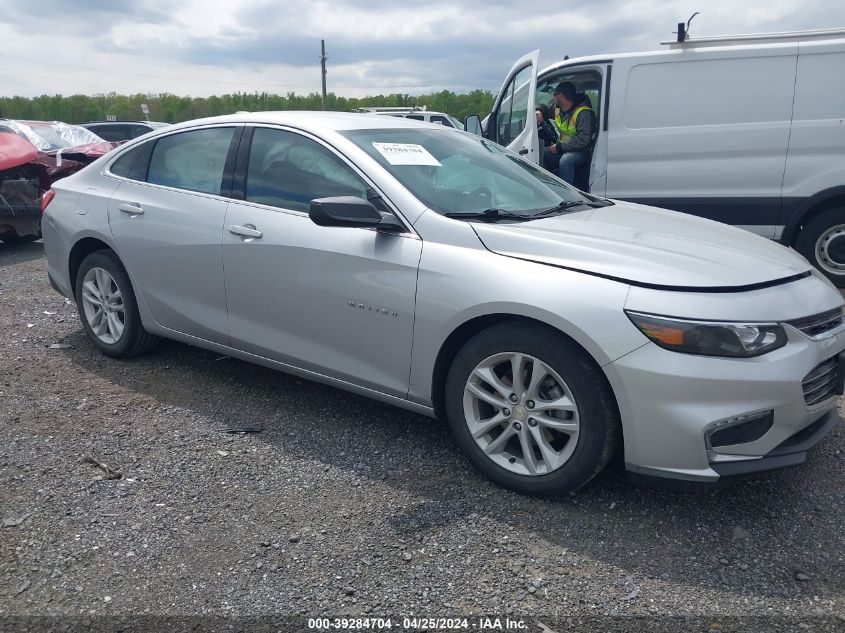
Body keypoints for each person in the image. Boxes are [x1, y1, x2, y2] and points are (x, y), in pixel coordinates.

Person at [546, 81, 594, 185]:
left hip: (582, 152)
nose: (553, 97)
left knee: (566, 160)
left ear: (562, 95)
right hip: (565, 149)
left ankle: (567, 194)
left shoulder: (583, 113)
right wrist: (539, 111)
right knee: (544, 154)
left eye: (555, 94)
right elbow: (545, 108)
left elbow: (583, 139)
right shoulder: (558, 109)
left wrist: (559, 147)